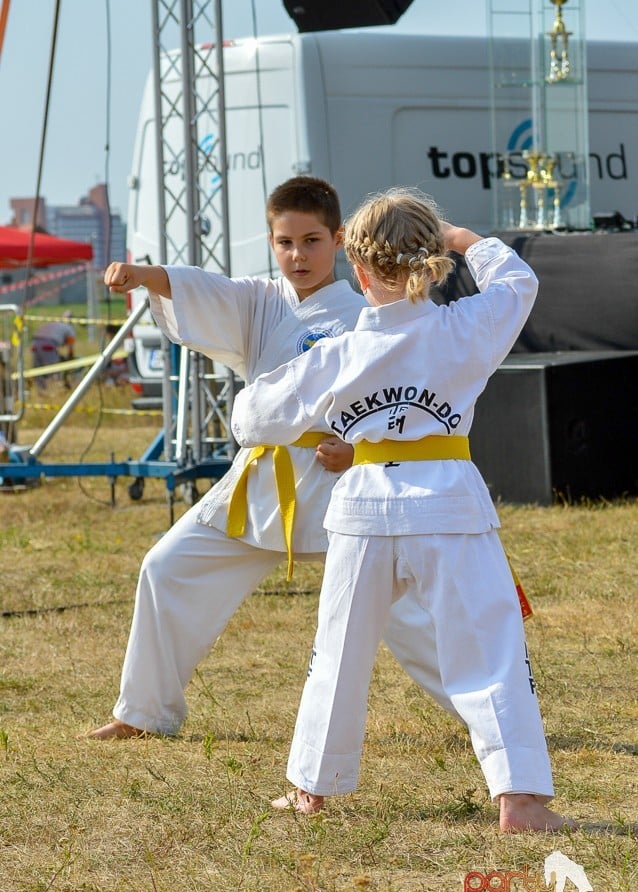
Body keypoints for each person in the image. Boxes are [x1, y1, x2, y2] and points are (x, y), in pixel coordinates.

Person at [231, 187, 576, 833]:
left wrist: (324, 427)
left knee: (338, 652)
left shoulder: (334, 353)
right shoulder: (465, 326)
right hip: (448, 507)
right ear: (435, 262)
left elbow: (250, 417)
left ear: (356, 270)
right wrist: (465, 238)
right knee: (489, 649)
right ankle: (521, 802)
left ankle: (311, 790)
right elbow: (517, 280)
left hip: (362, 511)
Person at [86, 175, 416, 740]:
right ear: (271, 242)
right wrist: (144, 276)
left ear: (338, 240)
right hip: (259, 482)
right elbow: (201, 287)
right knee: (166, 568)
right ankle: (141, 714)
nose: (298, 255)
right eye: (285, 243)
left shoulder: (365, 314)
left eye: (311, 241)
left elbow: (404, 400)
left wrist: (359, 448)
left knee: (412, 605)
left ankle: (493, 715)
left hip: (339, 483)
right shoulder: (262, 300)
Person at [30, 312, 75, 389]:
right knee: (55, 370)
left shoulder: (54, 324)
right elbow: (70, 349)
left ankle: (41, 391)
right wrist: (70, 359)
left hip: (35, 343)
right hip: (48, 345)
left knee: (38, 371)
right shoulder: (69, 329)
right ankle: (58, 389)